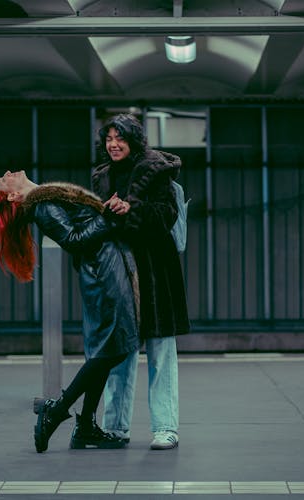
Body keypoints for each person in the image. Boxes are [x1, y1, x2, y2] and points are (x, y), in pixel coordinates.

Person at [0, 171, 140, 453]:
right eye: (3, 180)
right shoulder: (42, 206)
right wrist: (107, 217)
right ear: (12, 196)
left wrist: (104, 211)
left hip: (104, 269)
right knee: (113, 349)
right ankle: (57, 410)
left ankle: (84, 427)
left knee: (107, 350)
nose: (8, 173)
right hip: (103, 274)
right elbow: (73, 239)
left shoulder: (45, 198)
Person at [91, 113, 190, 450]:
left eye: (120, 138)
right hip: (118, 271)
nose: (113, 145)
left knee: (161, 351)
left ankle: (166, 427)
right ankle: (115, 427)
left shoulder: (156, 171)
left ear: (133, 141)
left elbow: (166, 214)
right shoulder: (101, 176)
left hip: (154, 270)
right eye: (109, 139)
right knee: (120, 351)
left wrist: (130, 209)